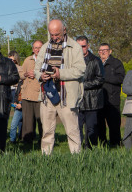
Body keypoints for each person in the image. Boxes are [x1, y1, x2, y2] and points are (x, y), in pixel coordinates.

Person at [33, 20, 86, 155]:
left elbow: (80, 70)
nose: (54, 37)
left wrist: (60, 73)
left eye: (57, 34)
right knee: (47, 131)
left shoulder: (74, 47)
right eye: (52, 34)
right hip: (48, 94)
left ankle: (77, 158)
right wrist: (41, 76)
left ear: (64, 30)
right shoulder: (45, 47)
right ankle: (46, 157)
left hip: (66, 95)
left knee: (72, 130)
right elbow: (36, 69)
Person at [76, 36, 104, 149]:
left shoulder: (95, 60)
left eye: (83, 46)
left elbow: (100, 79)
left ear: (88, 46)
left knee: (91, 128)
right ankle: (77, 149)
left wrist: (82, 85)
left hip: (92, 100)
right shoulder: (71, 61)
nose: (81, 49)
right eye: (78, 46)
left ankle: (90, 148)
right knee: (76, 127)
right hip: (77, 99)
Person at [97, 43, 125, 146]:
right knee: (99, 124)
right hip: (99, 98)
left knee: (114, 125)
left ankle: (115, 145)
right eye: (100, 50)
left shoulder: (116, 63)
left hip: (112, 99)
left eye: (105, 50)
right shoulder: (96, 62)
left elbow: (121, 78)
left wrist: (105, 78)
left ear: (110, 51)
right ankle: (102, 144)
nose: (103, 52)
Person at [19, 40, 43, 146]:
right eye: (35, 48)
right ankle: (27, 142)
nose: (37, 50)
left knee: (41, 121)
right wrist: (26, 74)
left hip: (40, 95)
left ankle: (43, 141)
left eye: (40, 47)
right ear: (33, 49)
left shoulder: (47, 60)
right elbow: (20, 74)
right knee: (27, 121)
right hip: (27, 95)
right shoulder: (28, 60)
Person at [7, 51, 23, 143]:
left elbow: (21, 79)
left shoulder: (20, 68)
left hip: (17, 92)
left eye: (13, 60)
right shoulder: (5, 68)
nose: (11, 62)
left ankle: (19, 136)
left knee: (19, 115)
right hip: (8, 91)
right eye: (9, 59)